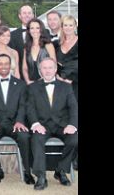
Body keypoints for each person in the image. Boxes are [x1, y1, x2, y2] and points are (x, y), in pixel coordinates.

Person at [27, 58, 78, 190]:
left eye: (50, 67)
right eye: (44, 68)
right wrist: (35, 124)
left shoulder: (66, 87)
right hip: (42, 125)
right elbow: (30, 108)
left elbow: (73, 107)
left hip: (62, 125)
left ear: (55, 69)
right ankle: (41, 176)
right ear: (40, 71)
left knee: (74, 139)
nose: (48, 71)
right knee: (36, 139)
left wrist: (72, 125)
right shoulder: (32, 87)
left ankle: (60, 170)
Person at [0, 53, 34, 185]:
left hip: (14, 123)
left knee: (25, 137)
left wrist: (19, 121)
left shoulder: (21, 84)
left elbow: (23, 105)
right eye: (1, 64)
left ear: (10, 65)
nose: (4, 66)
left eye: (6, 64)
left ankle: (27, 171)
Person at [23, 19, 57, 84]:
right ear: (29, 31)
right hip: (30, 83)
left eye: (37, 28)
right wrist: (28, 81)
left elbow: (54, 65)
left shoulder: (48, 45)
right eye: (32, 28)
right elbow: (24, 68)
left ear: (41, 29)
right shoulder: (26, 47)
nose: (35, 31)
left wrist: (42, 81)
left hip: (46, 82)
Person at [55, 15, 78, 100]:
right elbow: (54, 63)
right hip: (60, 84)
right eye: (65, 25)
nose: (68, 28)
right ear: (62, 27)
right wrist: (57, 76)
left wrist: (71, 79)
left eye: (71, 25)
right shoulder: (57, 44)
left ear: (75, 26)